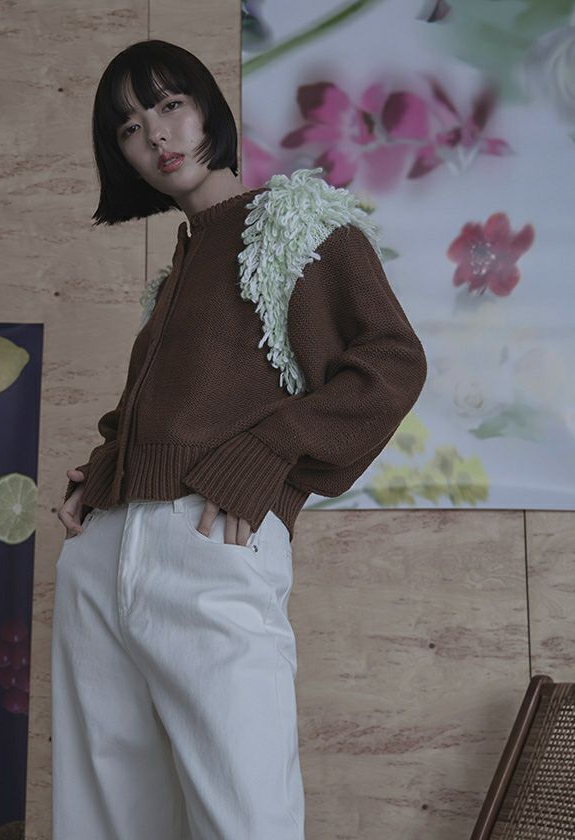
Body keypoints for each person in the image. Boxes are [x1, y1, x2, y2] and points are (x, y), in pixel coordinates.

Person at [52, 38, 427, 840]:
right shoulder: (173, 275)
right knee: (109, 825)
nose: (156, 134)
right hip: (102, 566)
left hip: (207, 549)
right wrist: (107, 468)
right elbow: (164, 412)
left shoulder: (294, 222)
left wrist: (269, 452)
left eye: (170, 104)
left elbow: (391, 363)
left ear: (209, 110)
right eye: (129, 127)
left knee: (245, 821)